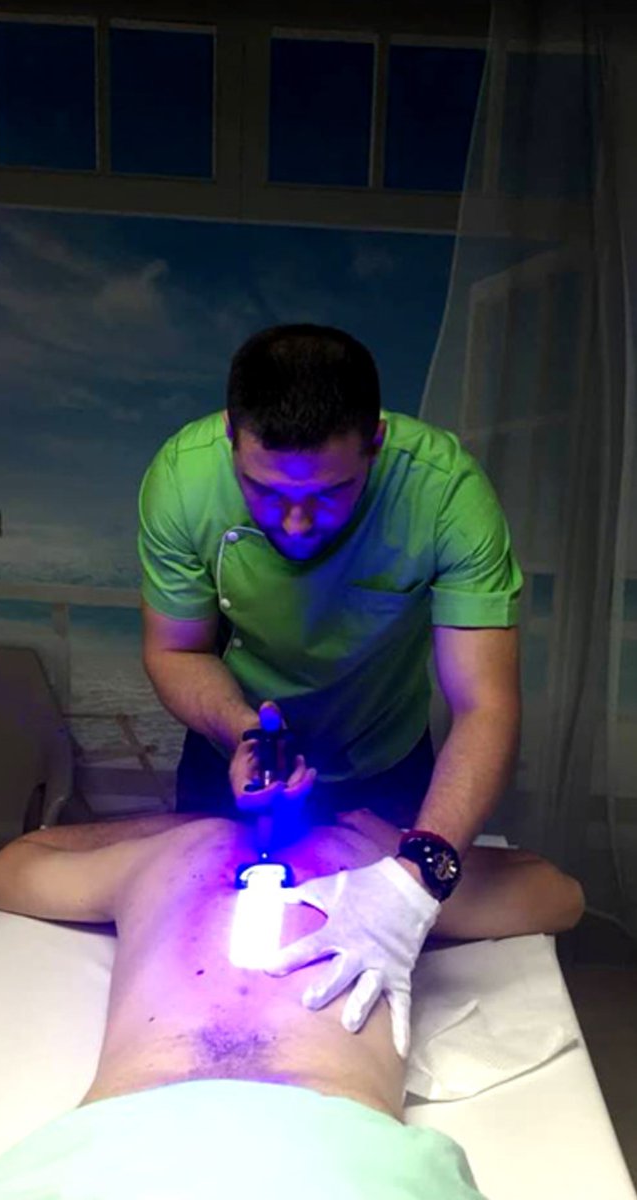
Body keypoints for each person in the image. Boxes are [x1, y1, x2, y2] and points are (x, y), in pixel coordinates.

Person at [138, 322, 523, 1027]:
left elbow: (485, 705)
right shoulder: (183, 482)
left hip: (388, 757)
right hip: (241, 748)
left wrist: (421, 870)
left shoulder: (445, 495)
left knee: (388, 965)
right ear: (231, 437)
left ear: (375, 442)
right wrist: (240, 731)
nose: (294, 523)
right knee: (206, 947)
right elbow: (177, 651)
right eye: (264, 492)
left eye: (327, 495)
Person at [0, 806, 583, 1199]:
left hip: (337, 1154)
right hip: (118, 1147)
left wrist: (406, 847)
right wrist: (177, 821)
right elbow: (7, 871)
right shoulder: (172, 850)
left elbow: (557, 896)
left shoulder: (390, 875)